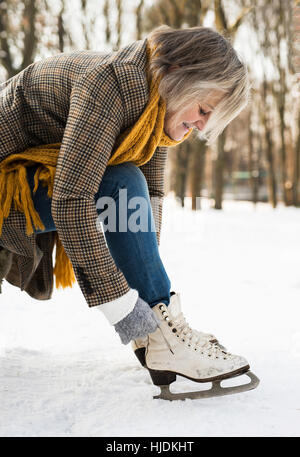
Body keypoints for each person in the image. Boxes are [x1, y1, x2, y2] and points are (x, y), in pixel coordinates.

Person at [0, 25, 259, 399]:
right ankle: (165, 339)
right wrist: (125, 308)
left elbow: (148, 199)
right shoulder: (108, 86)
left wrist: (151, 311)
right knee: (119, 181)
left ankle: (162, 338)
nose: (202, 125)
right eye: (203, 109)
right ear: (179, 77)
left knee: (127, 184)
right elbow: (74, 201)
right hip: (8, 187)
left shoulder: (152, 112)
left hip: (29, 182)